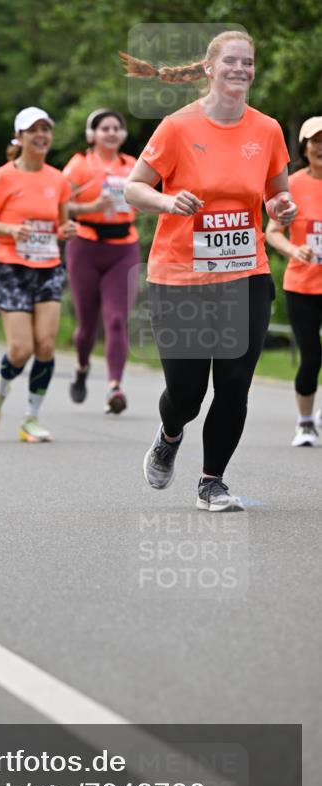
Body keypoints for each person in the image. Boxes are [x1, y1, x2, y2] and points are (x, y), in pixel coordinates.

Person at [123, 30, 296, 511]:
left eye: (249, 62)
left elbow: (276, 193)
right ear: (209, 68)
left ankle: (212, 482)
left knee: (235, 382)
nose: (241, 70)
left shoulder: (267, 129)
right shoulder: (178, 127)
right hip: (180, 278)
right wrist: (166, 200)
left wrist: (283, 207)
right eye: (232, 62)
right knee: (186, 393)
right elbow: (134, 188)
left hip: (245, 274)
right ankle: (170, 433)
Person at [0, 107, 77, 441]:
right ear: (18, 137)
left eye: (46, 129)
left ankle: (31, 418)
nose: (42, 135)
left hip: (48, 267)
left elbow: (59, 225)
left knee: (46, 346)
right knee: (20, 349)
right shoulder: (3, 176)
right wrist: (9, 229)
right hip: (12, 267)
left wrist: (67, 229)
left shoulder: (58, 179)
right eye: (33, 130)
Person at [63, 108, 139, 413]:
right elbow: (61, 206)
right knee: (87, 326)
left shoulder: (132, 166)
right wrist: (92, 205)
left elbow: (147, 195)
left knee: (118, 320)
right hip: (86, 246)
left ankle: (114, 388)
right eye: (104, 128)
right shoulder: (80, 165)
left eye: (116, 127)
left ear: (122, 135)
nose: (110, 132)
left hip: (124, 247)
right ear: (92, 134)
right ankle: (82, 367)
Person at [266, 116, 322, 446]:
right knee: (311, 356)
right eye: (316, 142)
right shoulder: (293, 185)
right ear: (304, 147)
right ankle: (304, 423)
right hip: (302, 285)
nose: (321, 148)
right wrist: (294, 250)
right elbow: (272, 233)